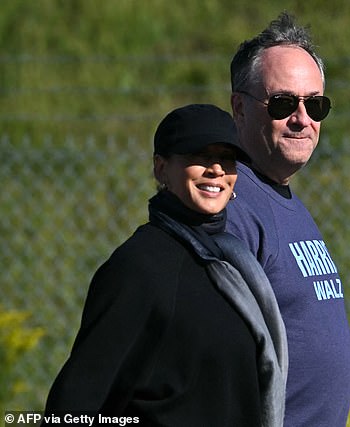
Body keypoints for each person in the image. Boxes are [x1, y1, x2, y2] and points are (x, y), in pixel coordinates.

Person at [43, 104, 288, 427]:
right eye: (199, 156)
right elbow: (75, 403)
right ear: (161, 169)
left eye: (226, 159)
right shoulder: (140, 267)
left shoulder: (233, 262)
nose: (215, 169)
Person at [227, 12, 350, 426]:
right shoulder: (232, 206)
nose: (303, 119)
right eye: (283, 103)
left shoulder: (280, 197)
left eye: (315, 105)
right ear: (239, 109)